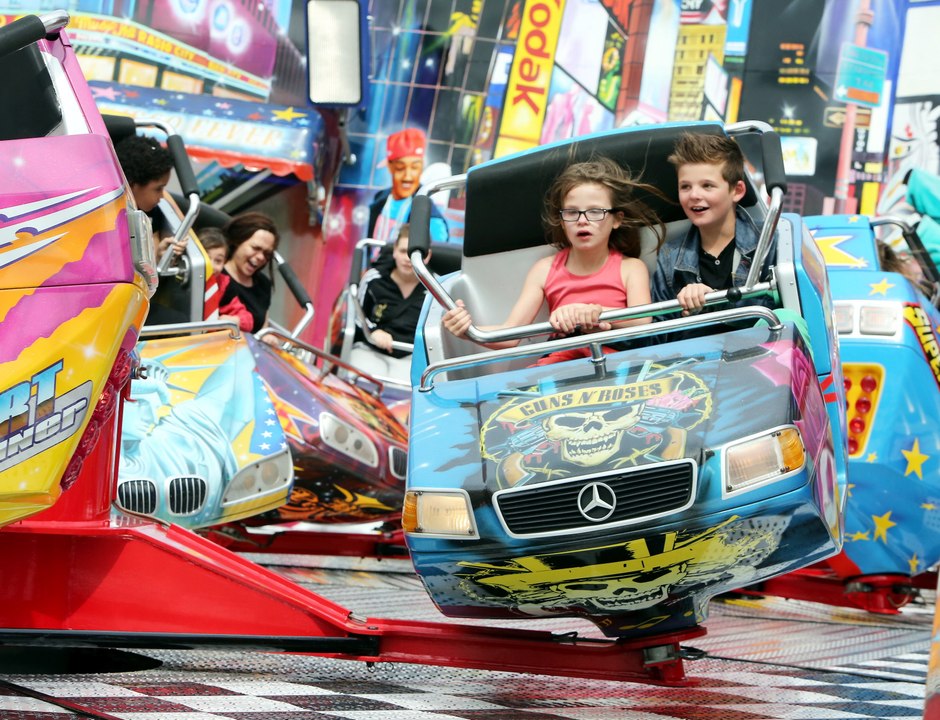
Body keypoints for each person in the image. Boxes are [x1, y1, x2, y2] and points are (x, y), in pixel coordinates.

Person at [443, 157, 665, 365]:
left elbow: (642, 321)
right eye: (572, 213)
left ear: (617, 219)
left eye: (595, 212)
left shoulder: (631, 268)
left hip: (618, 360)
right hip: (563, 359)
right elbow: (511, 334)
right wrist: (468, 329)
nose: (583, 221)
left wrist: (592, 312)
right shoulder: (545, 269)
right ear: (561, 220)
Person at [651, 132, 775, 316]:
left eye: (707, 185)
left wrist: (713, 300)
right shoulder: (669, 255)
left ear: (737, 191)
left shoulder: (770, 240)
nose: (694, 195)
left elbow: (785, 309)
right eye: (685, 186)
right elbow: (660, 329)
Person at [368, 127, 448, 246]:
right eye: (400, 168)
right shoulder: (381, 198)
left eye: (415, 167)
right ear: (390, 167)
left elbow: (436, 249)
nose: (408, 176)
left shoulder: (427, 212)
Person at [356, 224, 427, 358]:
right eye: (403, 251)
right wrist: (373, 331)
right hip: (372, 350)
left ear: (427, 256)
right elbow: (356, 314)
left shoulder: (436, 287)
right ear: (394, 250)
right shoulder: (374, 279)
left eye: (413, 254)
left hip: (414, 357)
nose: (407, 259)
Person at [114, 134, 186, 261]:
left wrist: (159, 256)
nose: (162, 196)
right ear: (132, 184)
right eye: (158, 189)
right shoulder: (109, 217)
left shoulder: (152, 213)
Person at [219, 212, 280, 344]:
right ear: (237, 241)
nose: (261, 257)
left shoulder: (263, 284)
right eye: (255, 248)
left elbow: (263, 328)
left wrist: (267, 338)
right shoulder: (217, 275)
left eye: (266, 253)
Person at [198, 227, 254, 332]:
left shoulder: (223, 284)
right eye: (206, 257)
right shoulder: (181, 275)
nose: (211, 266)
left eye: (218, 260)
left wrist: (234, 320)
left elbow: (248, 320)